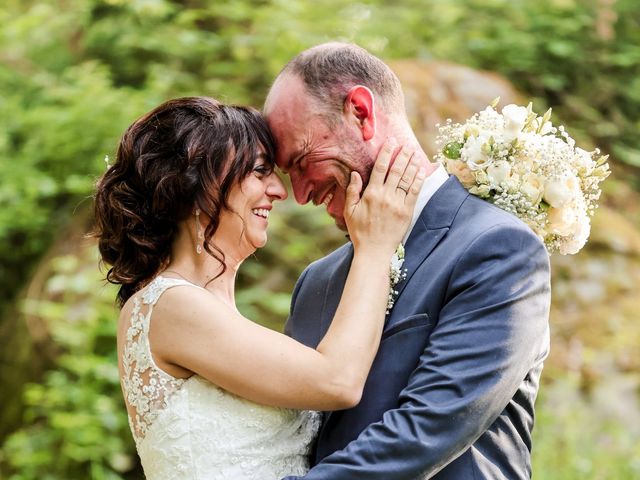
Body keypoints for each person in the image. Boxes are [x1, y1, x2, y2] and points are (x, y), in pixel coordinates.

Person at [92, 96, 425, 480]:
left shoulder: (202, 311)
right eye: (259, 171)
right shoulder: (170, 305)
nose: (280, 191)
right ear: (198, 183)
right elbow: (337, 381)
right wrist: (375, 247)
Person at [264, 43, 551, 479]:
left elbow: (427, 431)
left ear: (361, 112)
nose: (300, 195)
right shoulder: (315, 283)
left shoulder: (498, 248)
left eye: (303, 161)